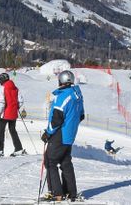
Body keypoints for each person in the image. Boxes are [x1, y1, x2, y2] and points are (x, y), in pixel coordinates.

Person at [41, 70, 84, 202]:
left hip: (60, 133)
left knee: (50, 161)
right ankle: (71, 192)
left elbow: (56, 120)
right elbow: (81, 115)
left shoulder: (63, 96)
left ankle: (57, 193)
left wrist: (48, 133)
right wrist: (71, 126)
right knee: (65, 162)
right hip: (69, 134)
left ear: (61, 81)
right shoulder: (77, 94)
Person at [0, 72, 24, 157]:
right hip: (13, 114)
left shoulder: (1, 89)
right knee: (13, 131)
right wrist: (16, 107)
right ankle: (18, 149)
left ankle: (0, 151)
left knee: (1, 132)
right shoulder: (16, 88)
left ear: (2, 80)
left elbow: (2, 102)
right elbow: (21, 101)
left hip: (4, 114)